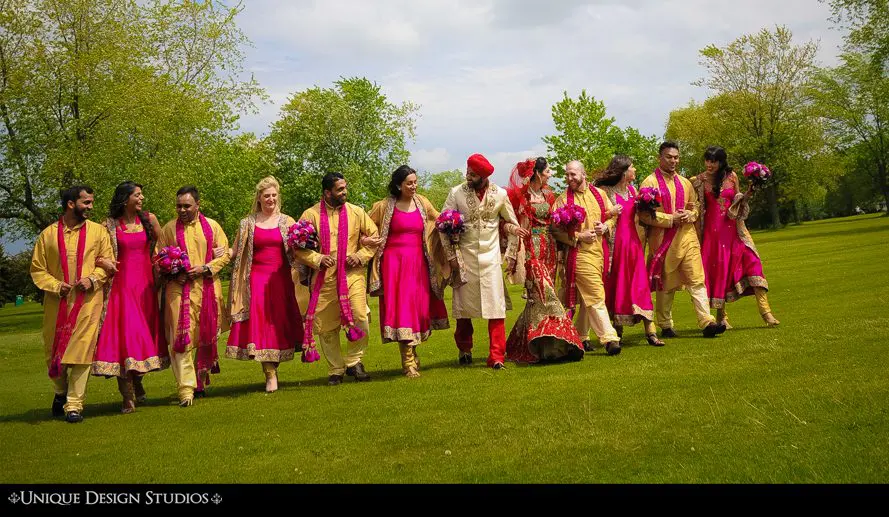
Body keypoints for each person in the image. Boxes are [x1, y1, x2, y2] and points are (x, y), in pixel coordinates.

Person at [30, 185, 113, 423]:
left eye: (91, 202)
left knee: (81, 353)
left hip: (88, 302)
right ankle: (60, 392)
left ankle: (74, 405)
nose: (90, 207)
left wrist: (93, 278)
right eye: (86, 202)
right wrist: (56, 286)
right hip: (57, 305)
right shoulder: (47, 235)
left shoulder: (98, 232)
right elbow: (37, 269)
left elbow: (107, 263)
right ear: (70, 204)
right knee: (53, 355)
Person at [441, 153, 527, 369]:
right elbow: (442, 225)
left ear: (483, 176)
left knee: (495, 308)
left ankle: (497, 356)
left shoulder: (500, 194)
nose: (467, 176)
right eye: (467, 172)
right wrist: (451, 256)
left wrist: (513, 233)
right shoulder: (456, 193)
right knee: (464, 310)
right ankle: (464, 348)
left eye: (472, 174)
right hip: (465, 259)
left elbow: (509, 222)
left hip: (491, 259)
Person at [294, 172, 379, 386]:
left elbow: (374, 238)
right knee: (325, 327)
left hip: (352, 275)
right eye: (340, 189)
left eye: (345, 187)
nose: (345, 192)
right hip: (323, 279)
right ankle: (336, 368)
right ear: (327, 192)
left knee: (359, 316)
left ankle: (354, 361)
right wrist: (317, 258)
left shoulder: (357, 212)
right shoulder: (310, 215)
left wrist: (359, 256)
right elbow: (298, 248)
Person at [91, 182, 168, 413]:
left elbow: (163, 247)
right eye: (137, 194)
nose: (142, 197)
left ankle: (138, 382)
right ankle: (128, 397)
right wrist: (102, 262)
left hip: (145, 288)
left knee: (142, 339)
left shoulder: (149, 220)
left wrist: (164, 265)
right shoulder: (108, 225)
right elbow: (95, 254)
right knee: (126, 338)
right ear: (125, 199)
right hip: (121, 288)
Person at [368, 166, 450, 378]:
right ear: (398, 185)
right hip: (394, 265)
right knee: (402, 308)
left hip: (419, 264)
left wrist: (454, 224)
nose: (414, 186)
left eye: (415, 182)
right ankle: (408, 362)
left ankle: (412, 352)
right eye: (409, 183)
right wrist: (366, 239)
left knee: (418, 309)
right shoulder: (384, 206)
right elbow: (365, 225)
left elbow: (439, 219)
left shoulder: (422, 202)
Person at [638, 142, 725, 338]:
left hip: (688, 237)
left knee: (697, 280)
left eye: (676, 157)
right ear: (660, 158)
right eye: (669, 157)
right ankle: (665, 324)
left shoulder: (685, 182)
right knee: (666, 284)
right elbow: (644, 215)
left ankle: (706, 321)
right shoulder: (649, 183)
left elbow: (695, 207)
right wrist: (670, 219)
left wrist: (690, 214)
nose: (674, 160)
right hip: (663, 241)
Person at [227, 176, 304, 393]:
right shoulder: (248, 223)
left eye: (273, 195)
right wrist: (222, 254)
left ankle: (273, 365)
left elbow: (299, 250)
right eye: (266, 195)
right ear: (259, 198)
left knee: (278, 325)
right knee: (262, 326)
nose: (270, 199)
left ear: (278, 197)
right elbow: (235, 251)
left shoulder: (288, 221)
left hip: (281, 280)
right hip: (257, 280)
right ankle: (270, 374)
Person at [504, 157, 584, 364]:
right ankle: (561, 342)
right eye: (548, 171)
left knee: (538, 300)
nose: (550, 174)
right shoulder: (520, 196)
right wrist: (515, 232)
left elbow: (555, 221)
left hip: (549, 245)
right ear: (538, 173)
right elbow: (506, 221)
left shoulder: (549, 195)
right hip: (530, 247)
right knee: (544, 292)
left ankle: (541, 348)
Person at [156, 186, 231, 407]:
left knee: (206, 335)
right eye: (178, 206)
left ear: (198, 205)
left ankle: (199, 380)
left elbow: (226, 253)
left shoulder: (212, 226)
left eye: (186, 206)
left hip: (207, 287)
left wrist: (206, 268)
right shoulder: (169, 229)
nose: (182, 210)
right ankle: (186, 389)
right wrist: (174, 272)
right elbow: (158, 258)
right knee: (182, 337)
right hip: (178, 289)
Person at [691, 146, 780, 327]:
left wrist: (748, 193)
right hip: (713, 233)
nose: (709, 164)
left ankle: (766, 313)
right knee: (718, 270)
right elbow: (697, 209)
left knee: (753, 263)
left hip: (735, 230)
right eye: (707, 160)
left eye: (714, 161)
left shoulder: (732, 177)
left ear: (722, 161)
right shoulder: (698, 181)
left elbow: (738, 202)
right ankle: (722, 317)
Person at [553, 160, 623, 355]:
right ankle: (609, 338)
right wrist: (578, 236)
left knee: (586, 299)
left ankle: (580, 336)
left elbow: (611, 215)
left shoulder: (599, 194)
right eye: (567, 174)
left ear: (583, 175)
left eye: (573, 174)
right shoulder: (562, 200)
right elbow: (555, 229)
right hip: (579, 253)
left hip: (599, 253)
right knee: (596, 294)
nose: (569, 178)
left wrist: (606, 226)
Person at [594, 156, 665, 347]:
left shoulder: (634, 191)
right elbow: (597, 216)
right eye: (633, 167)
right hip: (615, 246)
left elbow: (641, 217)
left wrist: (650, 206)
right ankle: (616, 331)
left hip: (633, 244)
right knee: (618, 285)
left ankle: (651, 332)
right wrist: (611, 213)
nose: (635, 170)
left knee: (640, 285)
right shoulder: (605, 191)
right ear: (624, 171)